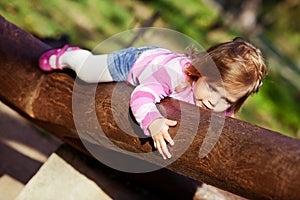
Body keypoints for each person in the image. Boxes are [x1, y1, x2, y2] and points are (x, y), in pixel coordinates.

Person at [39, 37, 267, 160]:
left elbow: (223, 124)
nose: (215, 103)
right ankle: (73, 55)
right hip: (134, 63)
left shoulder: (219, 104)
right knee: (89, 73)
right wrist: (154, 122)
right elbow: (141, 95)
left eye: (226, 100)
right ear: (202, 69)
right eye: (213, 89)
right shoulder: (174, 75)